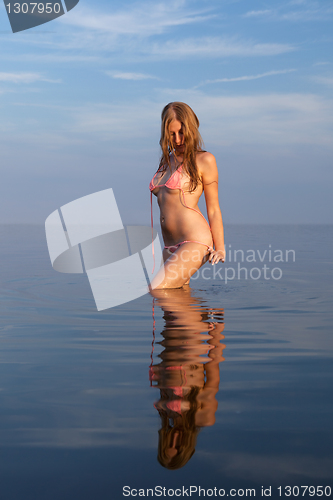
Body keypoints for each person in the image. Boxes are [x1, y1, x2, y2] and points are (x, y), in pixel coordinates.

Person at [149, 102, 225, 289]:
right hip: (169, 246)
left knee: (157, 289)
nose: (177, 139)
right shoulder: (167, 162)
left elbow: (213, 208)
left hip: (194, 240)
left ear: (191, 129)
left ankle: (204, 319)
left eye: (181, 132)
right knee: (174, 311)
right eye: (171, 134)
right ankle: (204, 319)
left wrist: (220, 247)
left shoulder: (204, 160)